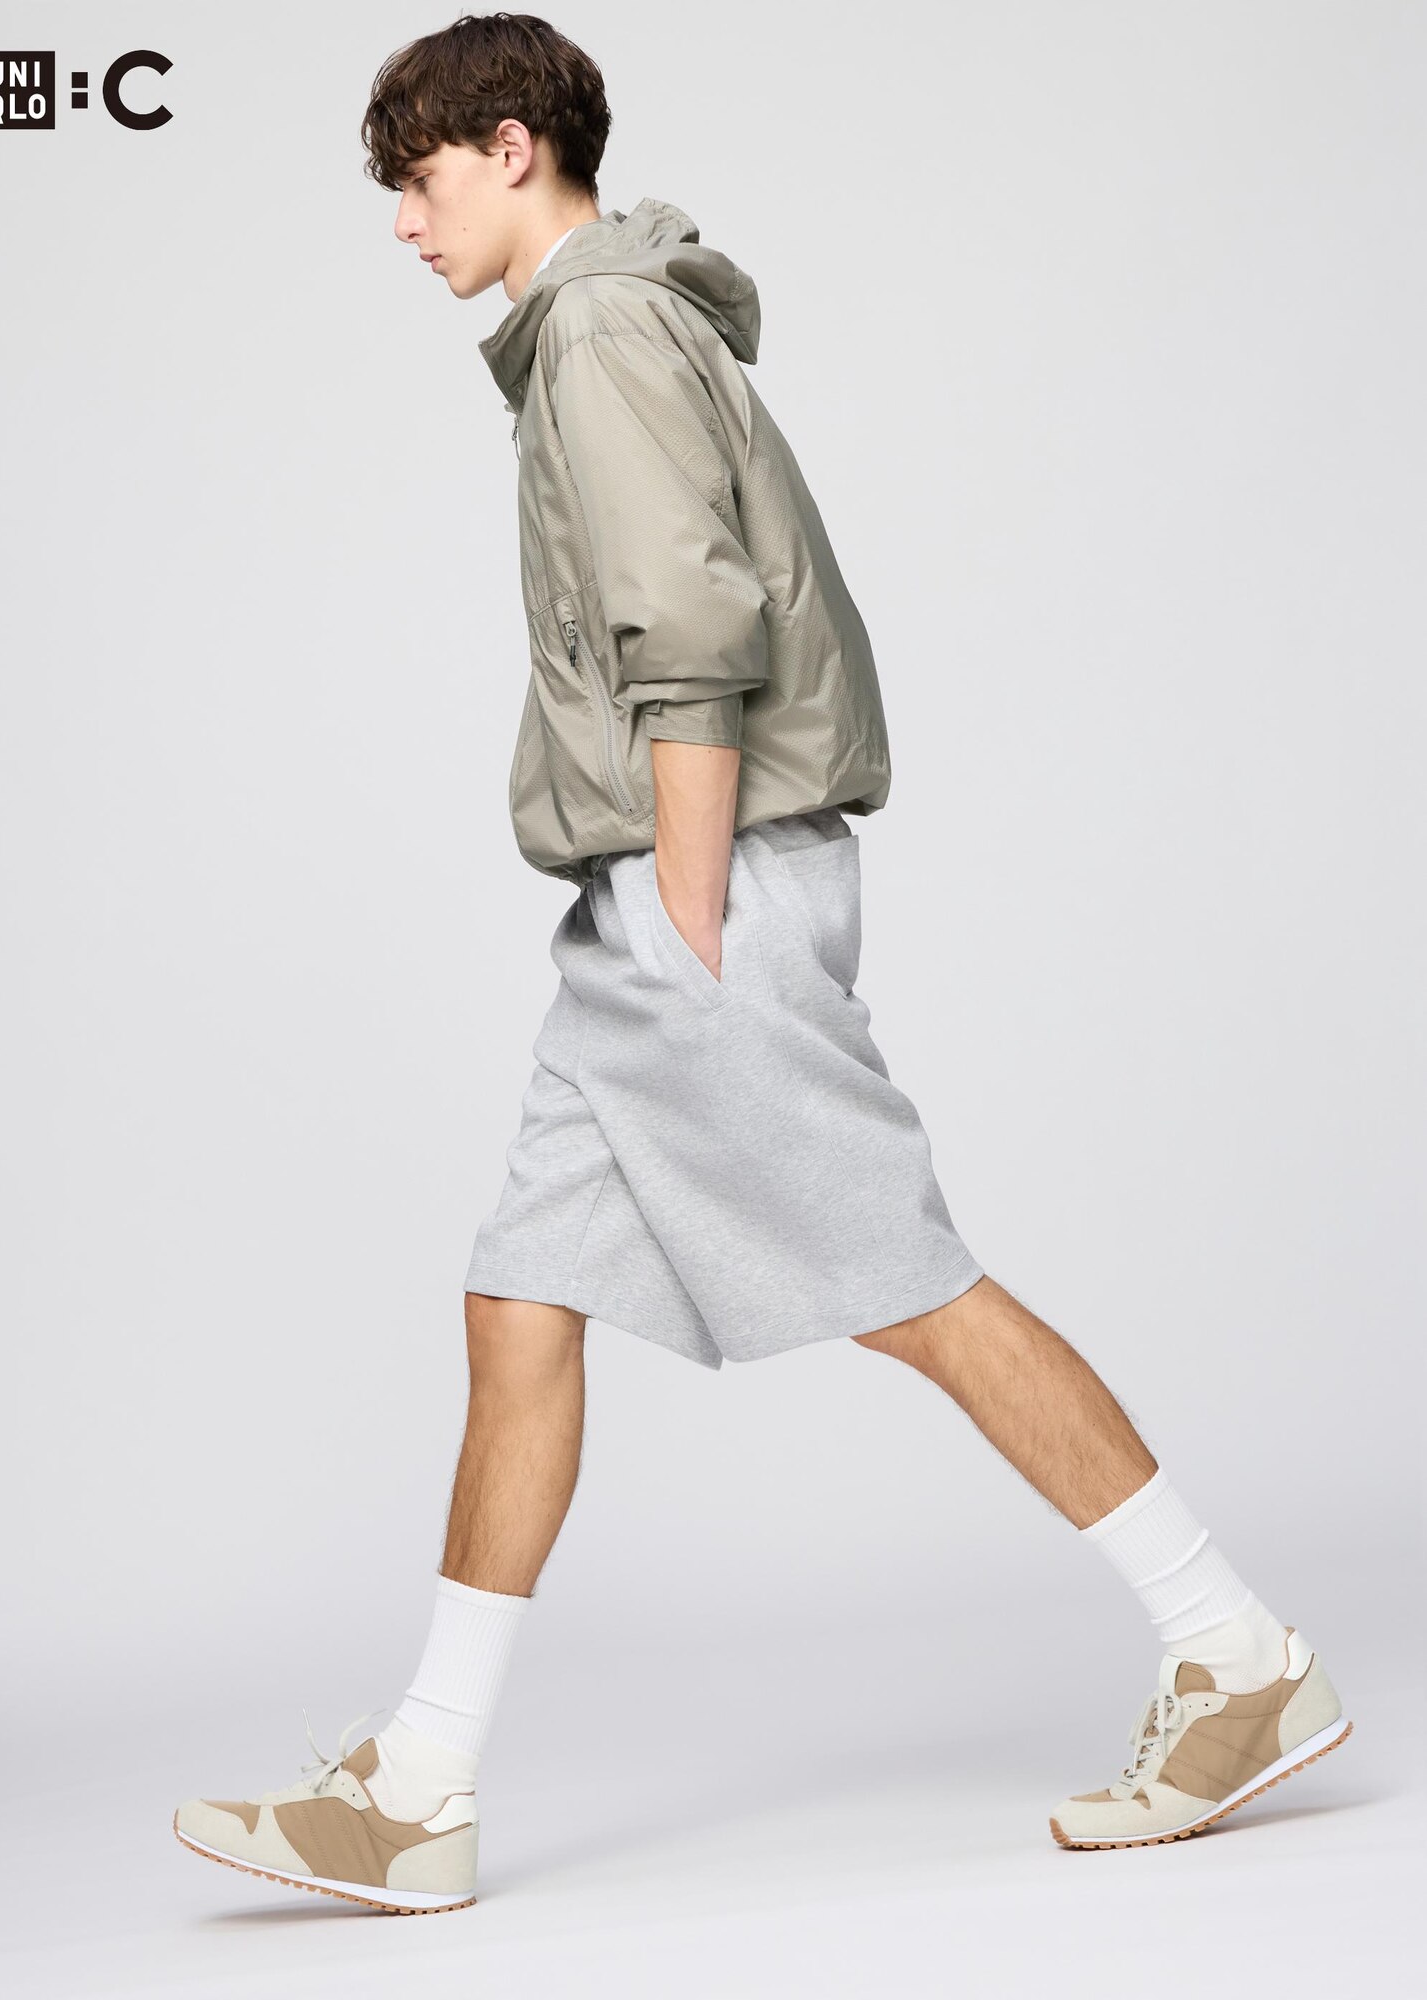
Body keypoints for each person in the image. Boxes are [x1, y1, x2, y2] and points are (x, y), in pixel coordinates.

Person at [173, 14, 1349, 1913]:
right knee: (518, 1302)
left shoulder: (601, 334)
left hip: (693, 894)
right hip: (640, 907)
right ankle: (422, 1788)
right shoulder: (604, 325)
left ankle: (1237, 1655)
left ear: (508, 146)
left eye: (420, 180)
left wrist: (693, 909)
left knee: (909, 1285)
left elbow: (690, 626)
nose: (404, 222)